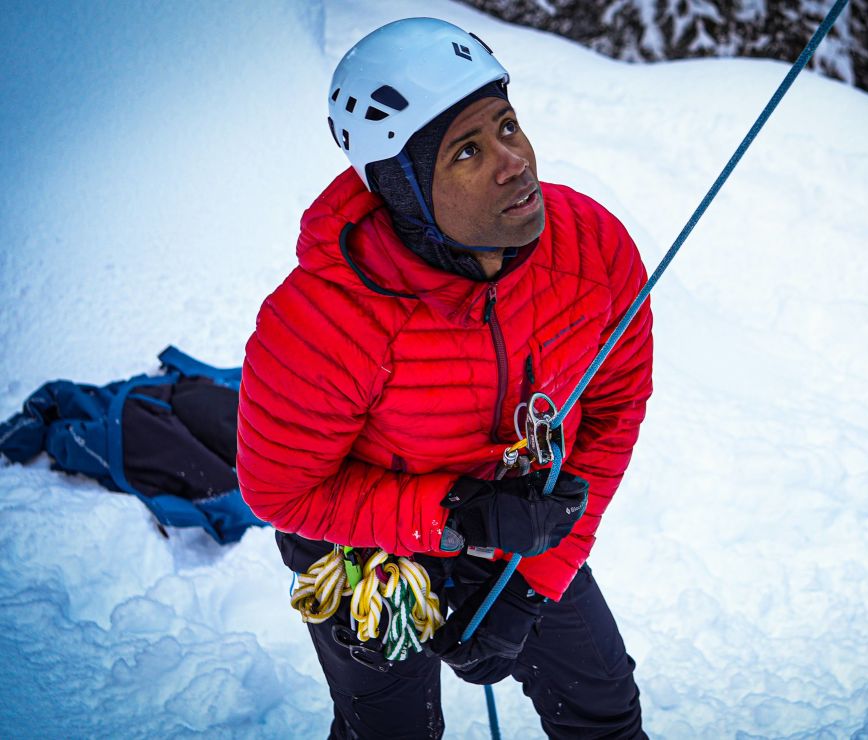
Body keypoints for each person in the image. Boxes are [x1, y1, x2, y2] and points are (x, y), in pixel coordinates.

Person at [236, 16, 653, 739]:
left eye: (508, 126)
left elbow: (614, 408)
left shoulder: (594, 248)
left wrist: (533, 581)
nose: (514, 162)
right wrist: (456, 516)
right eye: (466, 151)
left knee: (604, 708)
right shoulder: (324, 320)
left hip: (522, 530)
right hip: (364, 543)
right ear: (402, 191)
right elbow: (281, 490)